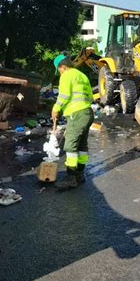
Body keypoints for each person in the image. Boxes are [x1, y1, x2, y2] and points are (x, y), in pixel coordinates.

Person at [52, 54, 94, 190]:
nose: (59, 73)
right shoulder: (82, 75)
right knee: (82, 145)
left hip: (77, 114)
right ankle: (79, 175)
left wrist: (55, 109)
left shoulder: (66, 75)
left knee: (70, 145)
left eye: (58, 70)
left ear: (63, 67)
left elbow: (64, 95)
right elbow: (90, 96)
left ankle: (70, 178)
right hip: (87, 112)